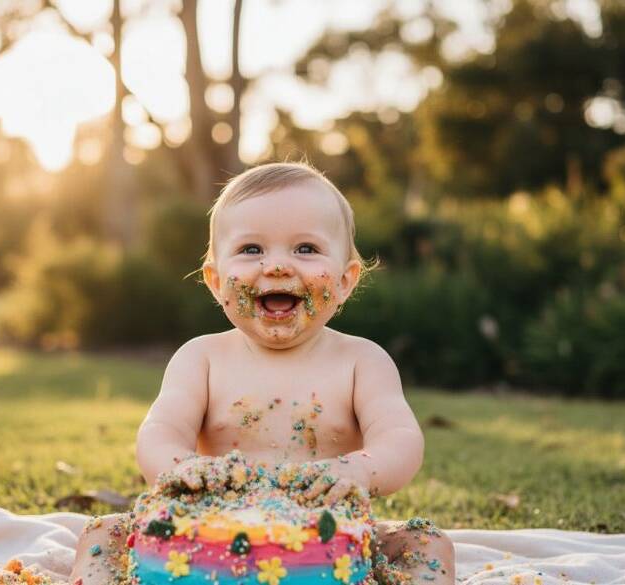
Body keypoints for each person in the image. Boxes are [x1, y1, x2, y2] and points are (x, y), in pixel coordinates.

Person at [70, 161, 455, 585]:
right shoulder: (201, 358)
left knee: (427, 544)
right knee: (101, 532)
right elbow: (160, 429)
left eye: (305, 249)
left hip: (326, 536)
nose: (276, 266)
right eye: (252, 249)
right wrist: (177, 469)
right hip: (208, 533)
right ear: (215, 281)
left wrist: (359, 471)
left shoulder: (362, 361)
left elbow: (400, 439)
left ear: (346, 281)